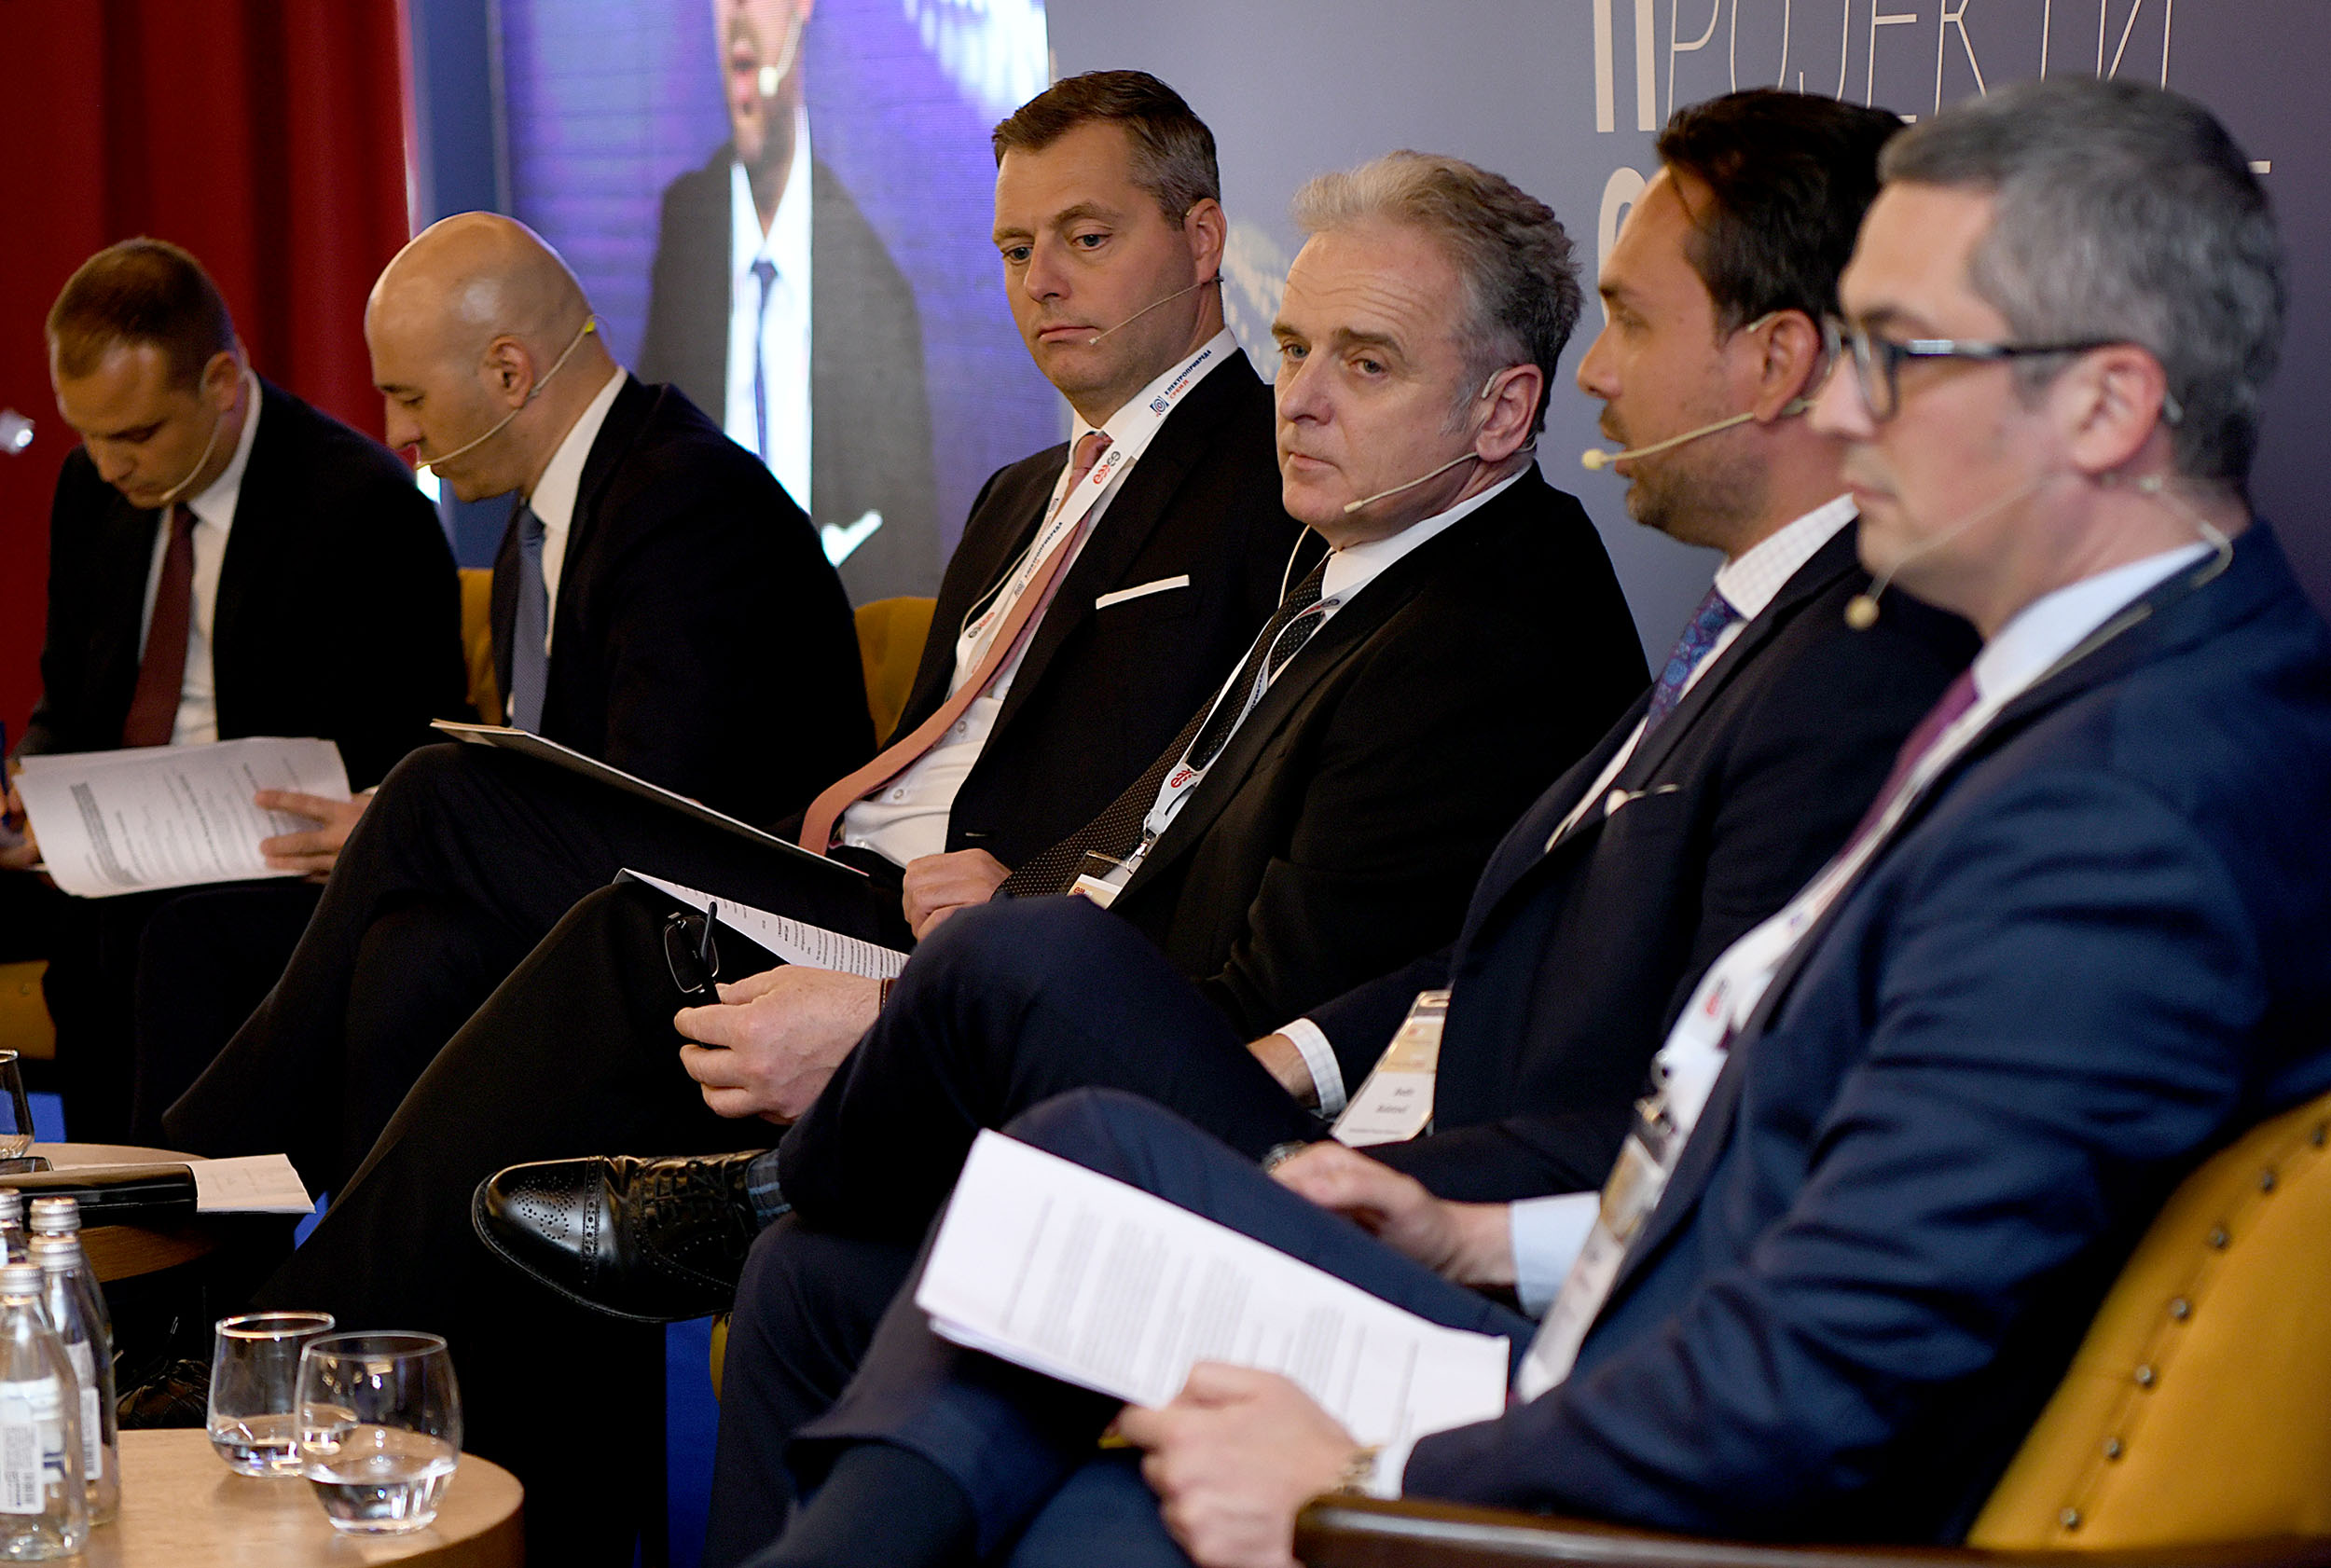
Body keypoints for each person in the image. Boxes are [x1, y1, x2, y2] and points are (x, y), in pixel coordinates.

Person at [733, 77, 2331, 1568]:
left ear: (2108, 404)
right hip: (1582, 1317)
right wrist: (1476, 1232)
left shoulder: (2134, 803)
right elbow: (1770, 1158)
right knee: (1035, 1220)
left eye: (1899, 354)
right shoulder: (2084, 686)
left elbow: (1831, 1358)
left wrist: (1379, 1474)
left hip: (1639, 1477)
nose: (1841, 410)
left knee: (1057, 1428)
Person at [559, 89, 1978, 1562]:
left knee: (1018, 976)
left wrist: (1430, 1196)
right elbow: (1453, 941)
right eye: (1294, 348)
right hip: (1369, 1128)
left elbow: (1714, 1108)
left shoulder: (1636, 637)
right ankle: (773, 1220)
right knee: (817, 1275)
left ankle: (764, 1186)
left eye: (1362, 362)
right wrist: (1311, 1050)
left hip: (1462, 1228)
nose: (1292, 397)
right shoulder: (1607, 605)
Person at [155, 70, 1305, 1566]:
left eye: (1085, 238)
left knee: (448, 796)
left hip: (962, 942)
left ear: (1203, 240)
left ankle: (210, 1248)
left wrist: (1016, 891)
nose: (1040, 282)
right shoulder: (1022, 491)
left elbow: (1205, 791)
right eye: (1016, 248)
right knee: (423, 948)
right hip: (837, 874)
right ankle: (468, 1497)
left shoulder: (1272, 476)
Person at [0, 238, 465, 1144]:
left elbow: (402, 747)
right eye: (86, 432)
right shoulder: (91, 487)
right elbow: (68, 698)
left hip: (271, 853)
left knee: (148, 932)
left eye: (136, 435)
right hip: (110, 838)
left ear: (220, 382)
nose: (107, 463)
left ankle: (156, 1213)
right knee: (104, 912)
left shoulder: (358, 503)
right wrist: (30, 787)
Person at [639, 0, 940, 598]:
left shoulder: (881, 276)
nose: (735, 12)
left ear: (803, 10)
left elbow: (908, 546)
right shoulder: (685, 226)